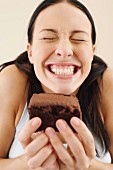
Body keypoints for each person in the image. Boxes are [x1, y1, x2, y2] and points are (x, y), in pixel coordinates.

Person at [0, 0, 113, 169]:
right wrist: (27, 163)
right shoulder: (13, 81)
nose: (64, 50)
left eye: (78, 39)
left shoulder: (105, 84)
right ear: (30, 52)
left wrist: (89, 166)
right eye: (48, 37)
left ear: (92, 52)